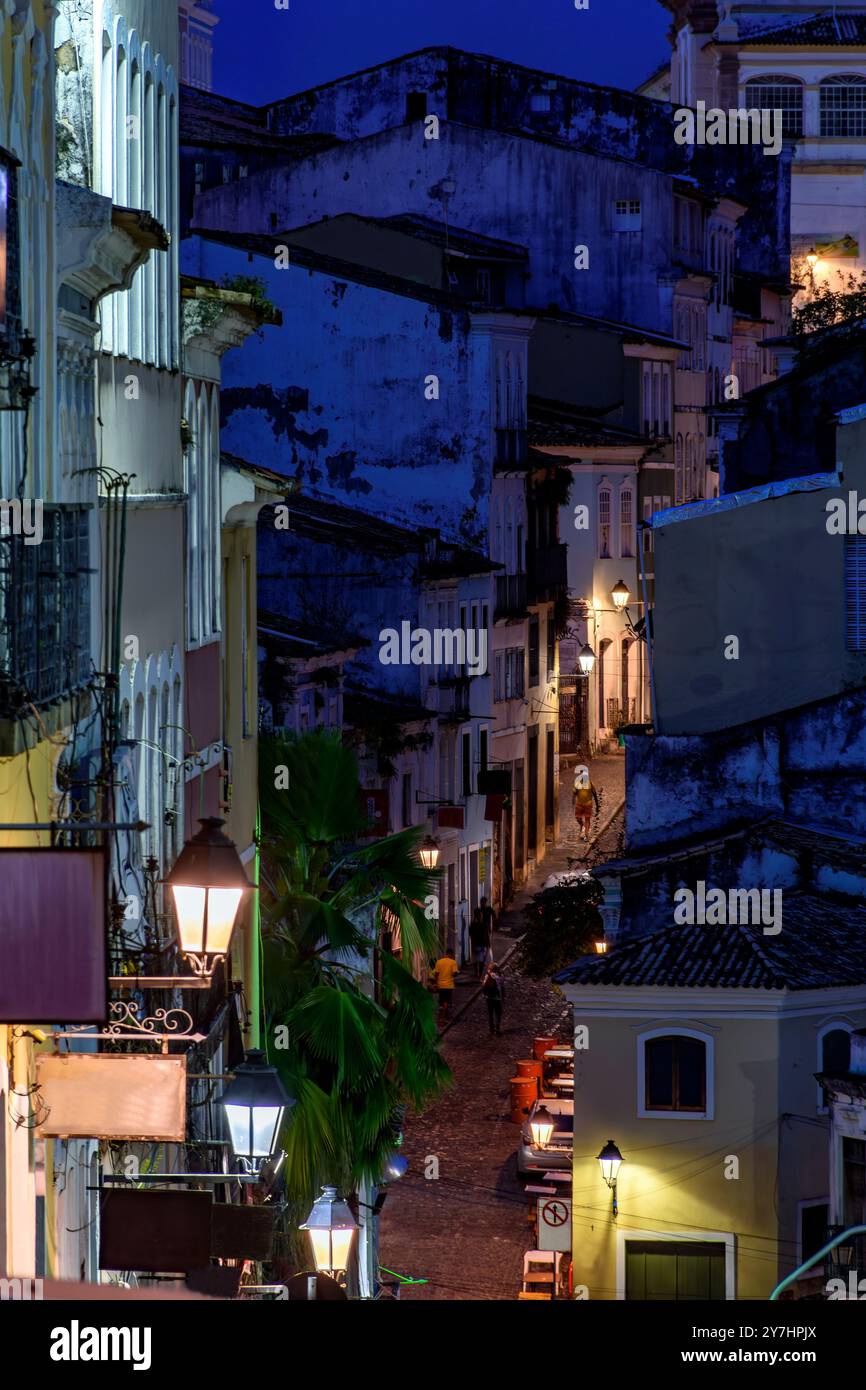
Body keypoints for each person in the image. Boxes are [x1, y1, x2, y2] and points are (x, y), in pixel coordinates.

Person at [432, 947, 459, 1019]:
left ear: (446, 953)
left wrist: (436, 983)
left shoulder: (439, 962)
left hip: (440, 985)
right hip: (449, 985)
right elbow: (454, 974)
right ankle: (443, 1017)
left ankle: (442, 1015)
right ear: (451, 954)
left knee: (441, 1000)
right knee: (446, 1001)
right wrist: (455, 974)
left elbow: (436, 974)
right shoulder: (453, 962)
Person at [573, 773, 600, 843]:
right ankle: (583, 825)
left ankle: (586, 835)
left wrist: (597, 805)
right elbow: (574, 793)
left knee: (587, 818)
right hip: (579, 804)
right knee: (578, 818)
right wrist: (573, 801)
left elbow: (594, 794)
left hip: (588, 804)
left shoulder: (590, 783)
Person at [482, 963, 505, 1037]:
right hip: (497, 998)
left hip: (489, 997)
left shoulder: (487, 976)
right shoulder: (499, 976)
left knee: (490, 1014)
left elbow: (483, 985)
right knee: (498, 1014)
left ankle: (491, 1029)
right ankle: (497, 1029)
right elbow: (502, 984)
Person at [468, 907, 491, 977]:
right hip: (477, 944)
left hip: (483, 944)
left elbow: (487, 934)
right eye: (479, 915)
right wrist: (472, 945)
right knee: (476, 960)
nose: (480, 917)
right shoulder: (474, 925)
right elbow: (471, 935)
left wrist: (488, 944)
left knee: (481, 960)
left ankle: (479, 973)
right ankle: (477, 973)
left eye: (481, 915)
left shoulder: (484, 924)